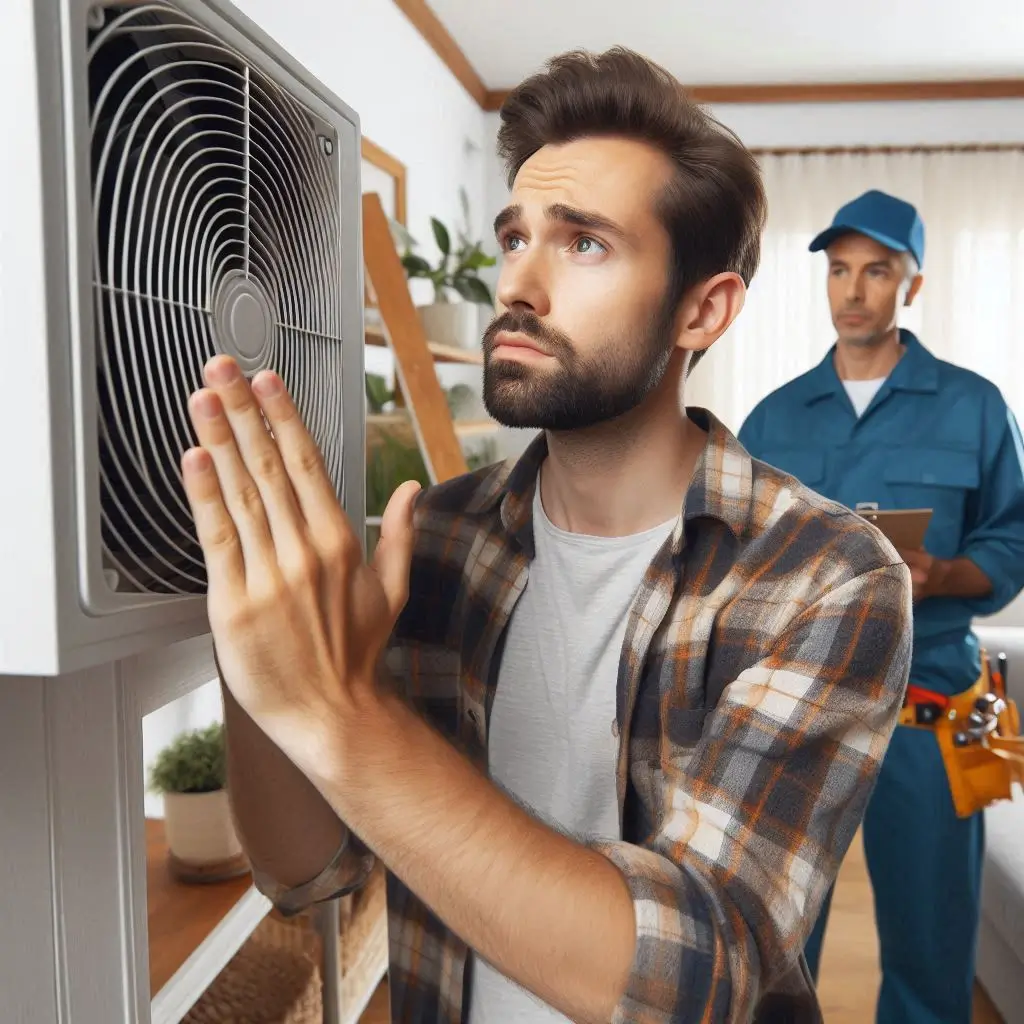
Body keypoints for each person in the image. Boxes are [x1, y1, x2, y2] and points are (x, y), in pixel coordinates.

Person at [181, 51, 913, 1024]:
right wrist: (256, 644)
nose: (516, 284)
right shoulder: (434, 540)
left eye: (585, 245)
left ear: (703, 308)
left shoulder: (826, 578)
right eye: (514, 236)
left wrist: (342, 711)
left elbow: (692, 979)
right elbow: (306, 872)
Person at [738, 189, 1024, 1024]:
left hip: (944, 698)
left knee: (937, 944)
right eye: (838, 270)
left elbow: (1014, 541)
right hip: (800, 707)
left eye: (877, 270)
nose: (854, 290)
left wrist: (944, 575)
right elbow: (738, 561)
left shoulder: (976, 405)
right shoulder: (774, 416)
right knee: (776, 949)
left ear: (914, 285)